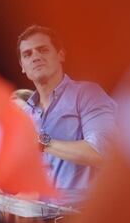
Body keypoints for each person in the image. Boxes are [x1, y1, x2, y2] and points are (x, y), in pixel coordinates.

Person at [17, 25, 118, 207]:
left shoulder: (87, 94)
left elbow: (102, 152)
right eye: (27, 54)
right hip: (38, 222)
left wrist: (43, 143)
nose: (36, 57)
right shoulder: (25, 114)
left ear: (61, 55)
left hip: (81, 217)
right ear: (22, 67)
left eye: (43, 50)